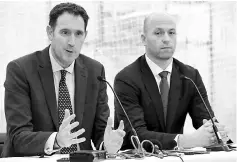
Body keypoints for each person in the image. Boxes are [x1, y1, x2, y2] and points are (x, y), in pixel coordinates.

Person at [2, 2, 125, 157]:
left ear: (85, 36)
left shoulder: (95, 71)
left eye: (78, 34)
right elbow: (17, 137)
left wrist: (107, 145)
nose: (72, 42)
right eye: (65, 32)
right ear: (50, 33)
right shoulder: (21, 70)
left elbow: (101, 130)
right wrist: (57, 140)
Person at [114, 12, 229, 150]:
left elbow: (206, 122)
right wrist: (186, 141)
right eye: (158, 33)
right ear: (143, 39)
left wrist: (216, 133)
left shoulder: (190, 76)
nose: (166, 39)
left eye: (172, 33)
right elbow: (135, 135)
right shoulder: (127, 79)